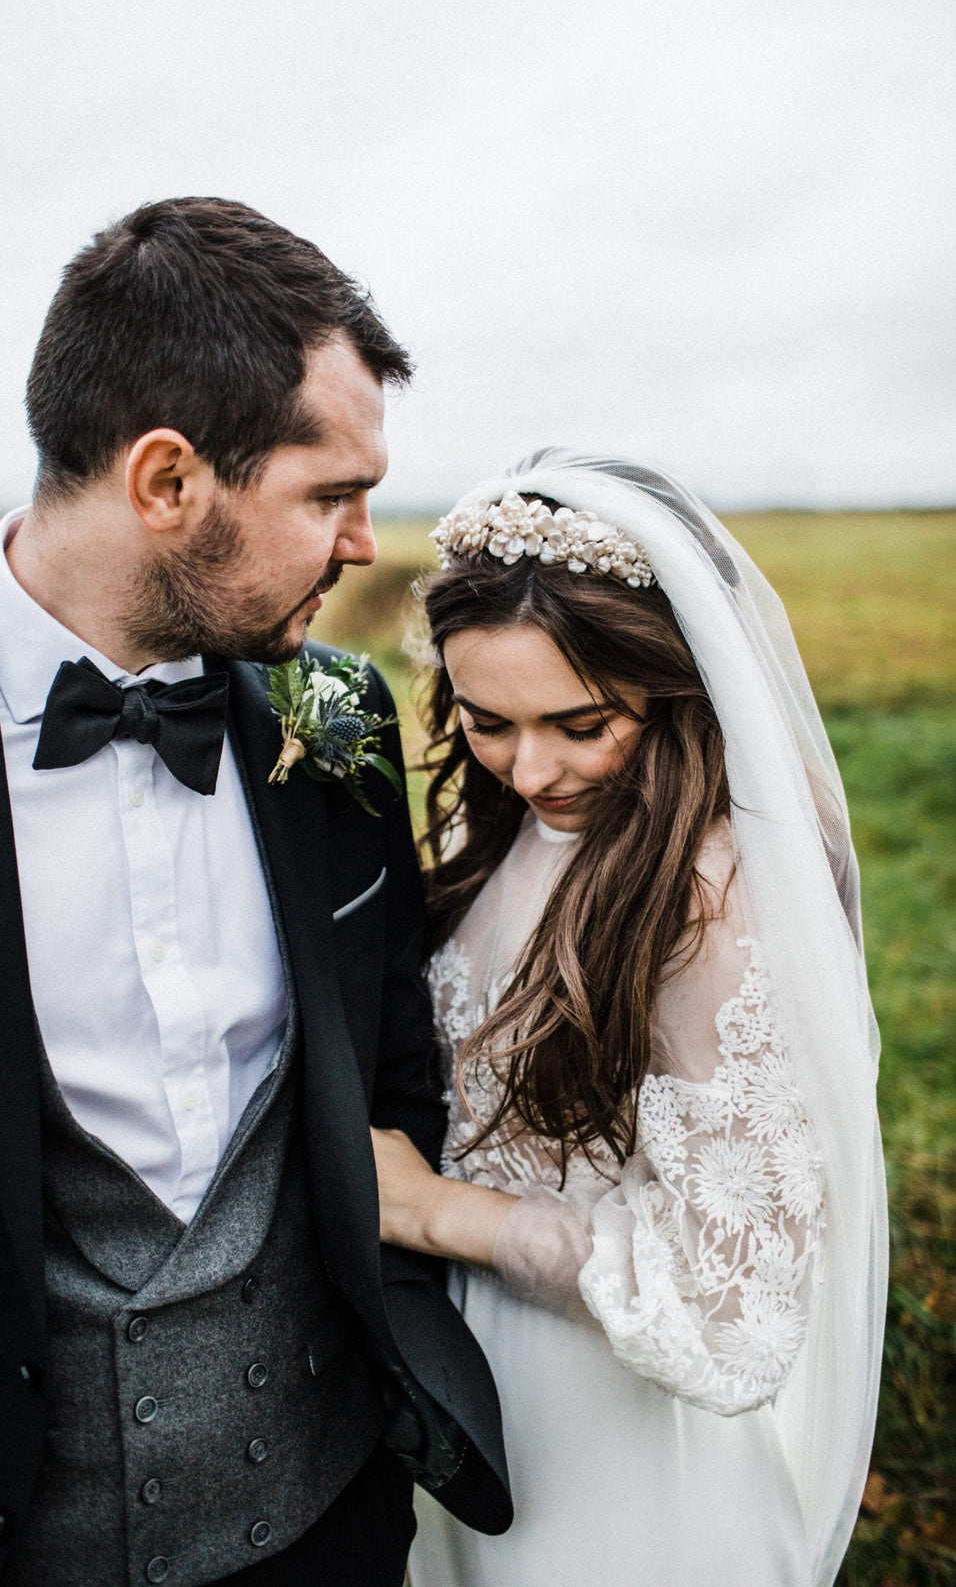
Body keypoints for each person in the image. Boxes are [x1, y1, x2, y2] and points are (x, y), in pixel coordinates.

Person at [0, 197, 511, 1587]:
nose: (360, 543)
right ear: (167, 481)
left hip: (332, 1529)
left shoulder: (334, 713)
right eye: (329, 494)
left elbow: (397, 1060)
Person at [371, 450, 886, 1587]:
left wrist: (436, 1212)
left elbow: (730, 1300)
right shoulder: (512, 820)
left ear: (674, 684)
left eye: (580, 721)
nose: (529, 768)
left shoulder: (711, 895)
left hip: (611, 1426)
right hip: (462, 1392)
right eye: (486, 720)